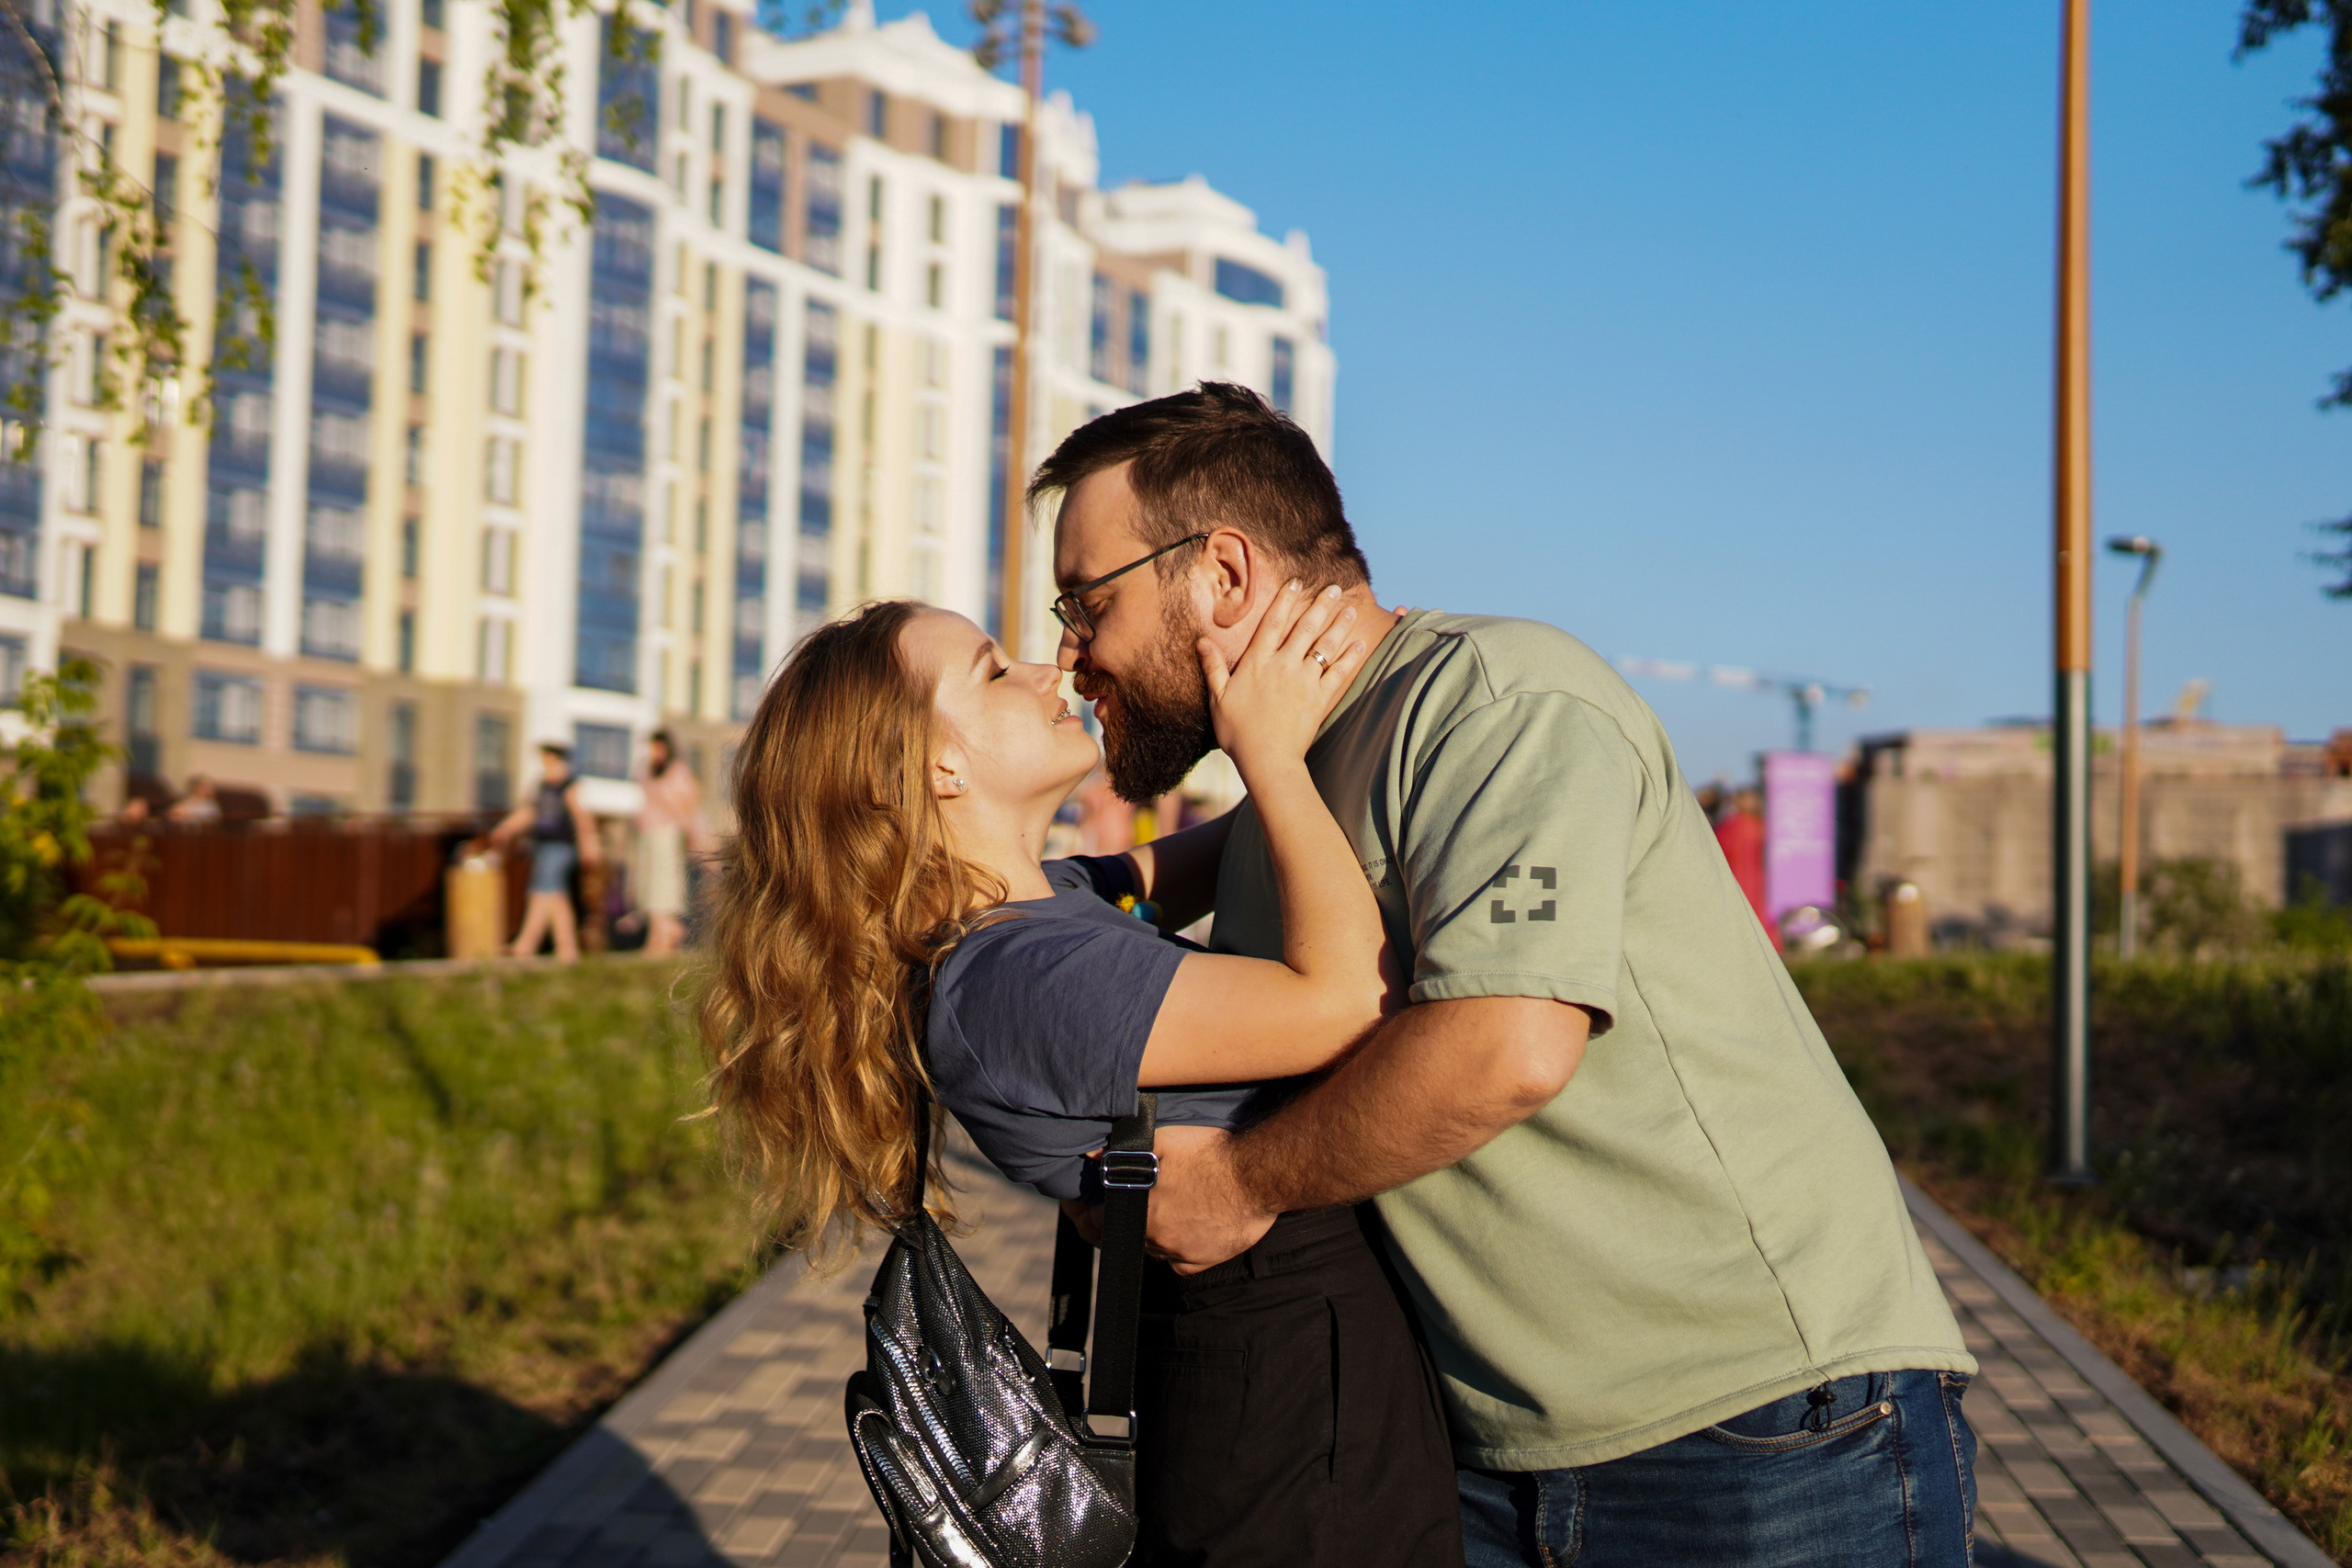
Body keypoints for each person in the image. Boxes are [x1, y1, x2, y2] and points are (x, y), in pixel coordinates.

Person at [1039, 382, 1979, 1568]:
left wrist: (1236, 1181)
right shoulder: (1294, 779)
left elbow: (1506, 1046)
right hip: (1502, 1449)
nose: (1071, 650)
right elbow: (1138, 884)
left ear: (1221, 574)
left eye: (1088, 601)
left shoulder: (1501, 701)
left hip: (1758, 1427)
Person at [696, 592, 1463, 1567]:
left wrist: (1300, 698)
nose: (1040, 667)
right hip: (1279, 1386)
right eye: (988, 670)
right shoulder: (1015, 980)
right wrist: (1263, 755)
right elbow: (1347, 999)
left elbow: (1237, 847)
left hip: (1283, 1359)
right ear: (935, 766)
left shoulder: (1052, 908)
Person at [490, 743, 600, 962]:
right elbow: (530, 812)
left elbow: (581, 816)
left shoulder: (568, 785)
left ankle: (527, 945)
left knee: (541, 893)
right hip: (543, 846)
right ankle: (566, 948)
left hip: (561, 846)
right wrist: (507, 828)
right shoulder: (543, 786)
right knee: (554, 896)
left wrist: (589, 844)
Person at [635, 729, 704, 954]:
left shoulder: (677, 772)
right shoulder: (649, 772)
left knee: (663, 885)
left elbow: (686, 805)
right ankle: (657, 936)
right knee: (648, 885)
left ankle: (664, 936)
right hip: (649, 834)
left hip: (667, 833)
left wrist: (692, 834)